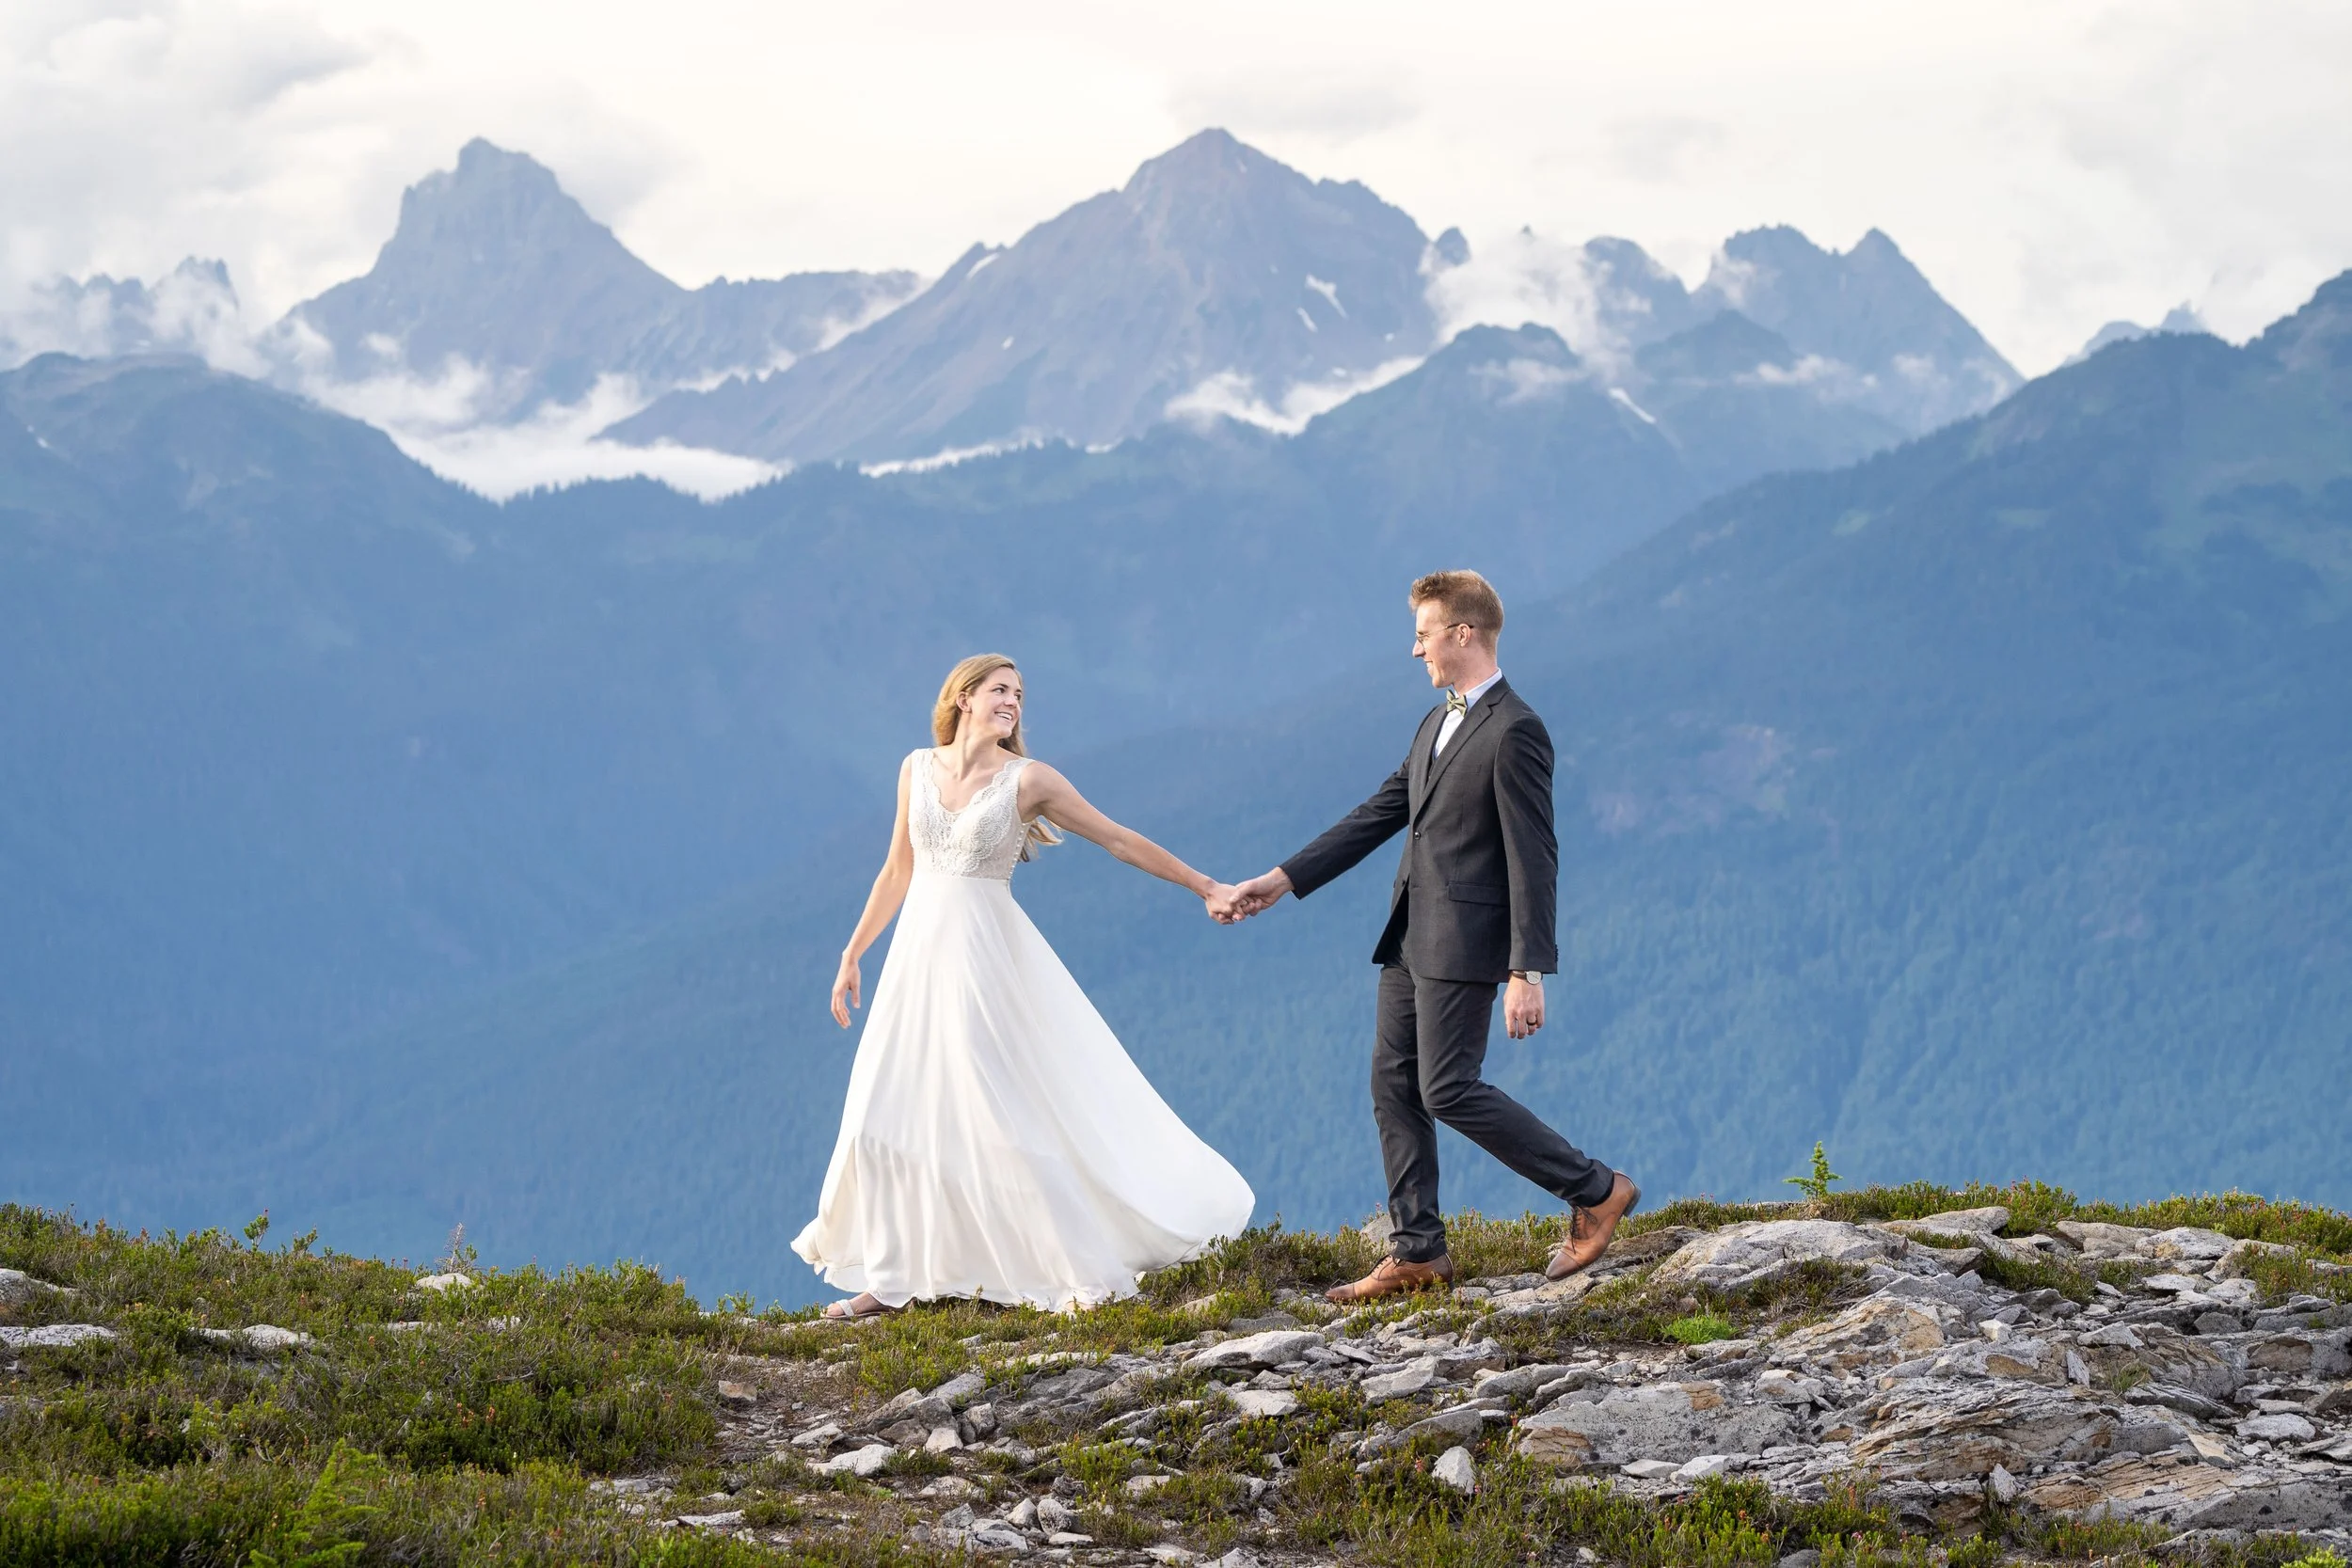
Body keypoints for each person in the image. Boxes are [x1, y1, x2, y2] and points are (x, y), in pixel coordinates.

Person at [795, 654, 1256, 1318]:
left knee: (998, 1111)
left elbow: (1118, 839)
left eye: (1019, 693)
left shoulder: (1028, 779)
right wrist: (852, 952)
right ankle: (895, 1275)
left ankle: (1070, 1264)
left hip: (986, 961)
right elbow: (897, 869)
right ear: (963, 697)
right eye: (1000, 689)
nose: (1012, 701)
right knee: (884, 1110)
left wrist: (1206, 885)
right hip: (916, 961)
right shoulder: (915, 767)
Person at [1229, 571, 1640, 1301]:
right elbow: (1379, 812)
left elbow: (1534, 855)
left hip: (1466, 942)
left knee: (1447, 1086)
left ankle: (1597, 1189)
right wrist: (1282, 878)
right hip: (1409, 937)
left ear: (1463, 634)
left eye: (1423, 634)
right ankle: (1417, 1250)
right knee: (1393, 1083)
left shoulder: (1516, 729)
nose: (1413, 648)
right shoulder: (1435, 721)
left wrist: (1528, 969)